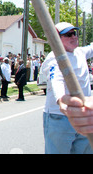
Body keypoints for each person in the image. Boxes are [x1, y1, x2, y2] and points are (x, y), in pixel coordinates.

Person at [40, 22, 93, 154]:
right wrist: (61, 100)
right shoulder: (54, 57)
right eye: (68, 34)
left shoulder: (80, 52)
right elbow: (55, 78)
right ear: (57, 39)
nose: (74, 37)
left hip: (83, 115)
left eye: (74, 33)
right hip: (60, 117)